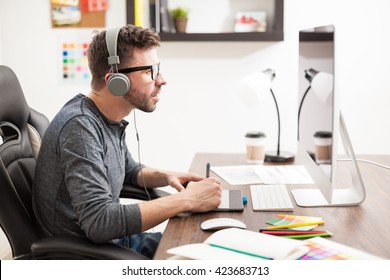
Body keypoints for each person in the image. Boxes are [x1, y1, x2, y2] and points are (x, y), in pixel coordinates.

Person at [32, 24, 222, 259]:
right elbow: (99, 222)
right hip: (91, 256)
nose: (161, 80)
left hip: (116, 243)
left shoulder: (107, 119)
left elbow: (130, 170)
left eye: (158, 68)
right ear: (115, 81)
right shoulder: (80, 126)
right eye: (148, 71)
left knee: (212, 245)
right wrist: (186, 200)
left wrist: (168, 176)